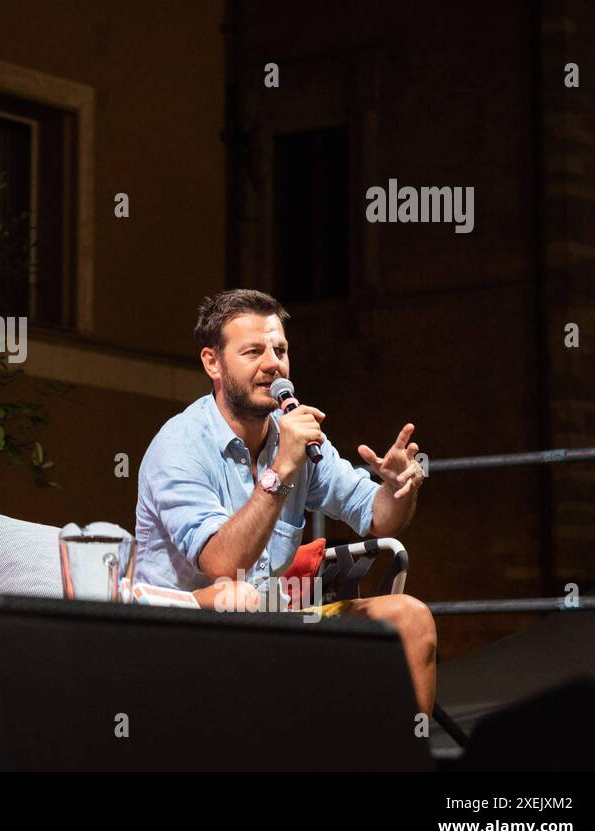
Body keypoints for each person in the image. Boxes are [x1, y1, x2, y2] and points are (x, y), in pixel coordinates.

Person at [135, 289, 437, 713]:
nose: (273, 364)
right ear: (213, 363)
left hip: (267, 623)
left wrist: (396, 489)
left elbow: (377, 518)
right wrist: (280, 472)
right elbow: (223, 567)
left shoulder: (292, 436)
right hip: (180, 633)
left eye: (280, 349)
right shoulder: (180, 447)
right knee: (237, 597)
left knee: (410, 618)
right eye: (254, 351)